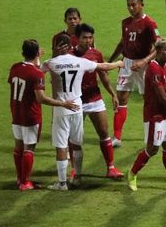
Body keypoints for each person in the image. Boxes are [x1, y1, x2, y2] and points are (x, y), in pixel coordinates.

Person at [43, 34, 123, 190]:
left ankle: (61, 183)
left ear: (56, 47)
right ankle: (77, 176)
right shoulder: (80, 62)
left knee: (61, 146)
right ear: (69, 46)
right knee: (76, 143)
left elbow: (36, 71)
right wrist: (119, 63)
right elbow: (104, 67)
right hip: (78, 107)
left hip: (62, 107)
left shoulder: (51, 63)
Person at [8, 39, 78, 190]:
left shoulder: (15, 68)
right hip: (30, 116)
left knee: (18, 148)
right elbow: (41, 98)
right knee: (29, 149)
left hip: (16, 113)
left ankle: (19, 179)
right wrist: (63, 103)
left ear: (22, 53)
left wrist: (36, 58)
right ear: (37, 52)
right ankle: (26, 182)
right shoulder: (37, 74)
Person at [126, 38, 166, 192]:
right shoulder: (153, 69)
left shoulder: (164, 67)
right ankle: (132, 174)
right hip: (155, 115)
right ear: (158, 51)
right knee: (152, 149)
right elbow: (161, 95)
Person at [72, 23, 124, 179]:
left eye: (90, 38)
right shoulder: (68, 56)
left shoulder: (96, 54)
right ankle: (75, 171)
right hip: (75, 102)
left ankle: (111, 168)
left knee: (104, 133)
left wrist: (113, 94)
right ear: (77, 38)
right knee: (75, 140)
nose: (88, 41)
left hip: (95, 99)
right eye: (84, 38)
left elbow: (103, 76)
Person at [108, 0, 159, 147]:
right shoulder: (125, 22)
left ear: (142, 4)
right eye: (128, 5)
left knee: (147, 100)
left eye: (134, 5)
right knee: (121, 98)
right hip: (127, 64)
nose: (130, 8)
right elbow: (122, 43)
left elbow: (159, 47)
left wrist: (144, 61)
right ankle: (117, 137)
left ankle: (148, 136)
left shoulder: (150, 23)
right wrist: (109, 63)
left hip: (143, 66)